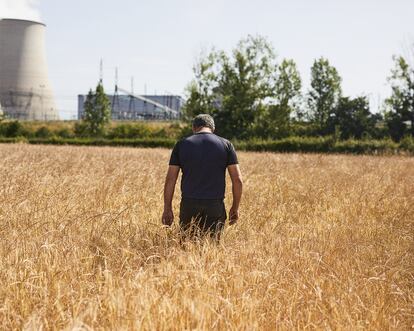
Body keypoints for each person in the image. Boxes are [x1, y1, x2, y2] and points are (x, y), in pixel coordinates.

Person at [162, 114, 243, 239]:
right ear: (213, 128)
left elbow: (170, 179)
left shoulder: (181, 145)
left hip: (189, 203)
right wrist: (235, 207)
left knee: (187, 246)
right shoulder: (226, 144)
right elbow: (237, 180)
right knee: (212, 248)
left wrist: (167, 208)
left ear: (194, 128)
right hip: (215, 204)